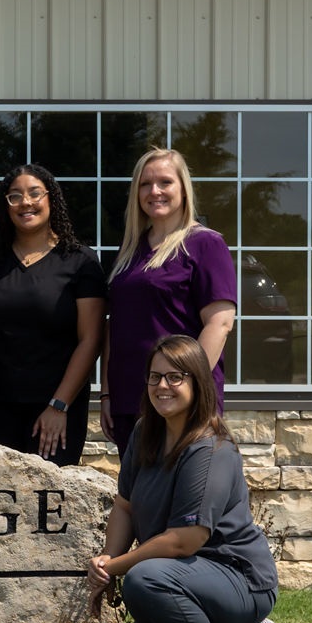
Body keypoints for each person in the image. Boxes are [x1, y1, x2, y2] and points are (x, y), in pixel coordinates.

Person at [86, 334, 286, 623]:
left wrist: (116, 566)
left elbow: (184, 540)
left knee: (145, 580)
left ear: (197, 382)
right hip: (181, 578)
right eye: (154, 376)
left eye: (175, 377)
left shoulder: (210, 450)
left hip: (238, 579)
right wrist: (105, 557)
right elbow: (125, 506)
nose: (162, 386)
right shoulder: (145, 433)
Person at [104, 147, 239, 450]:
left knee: (184, 492)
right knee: (139, 494)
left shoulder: (205, 244)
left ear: (183, 189)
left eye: (165, 182)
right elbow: (116, 325)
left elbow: (220, 323)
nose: (155, 191)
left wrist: (187, 385)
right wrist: (107, 394)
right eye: (145, 184)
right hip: (130, 399)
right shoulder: (129, 251)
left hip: (180, 401)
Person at [0, 164, 106, 466]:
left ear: (51, 199)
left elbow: (91, 340)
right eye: (14, 196)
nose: (25, 202)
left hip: (55, 411)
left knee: (49, 505)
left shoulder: (79, 261)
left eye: (34, 193)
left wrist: (59, 406)